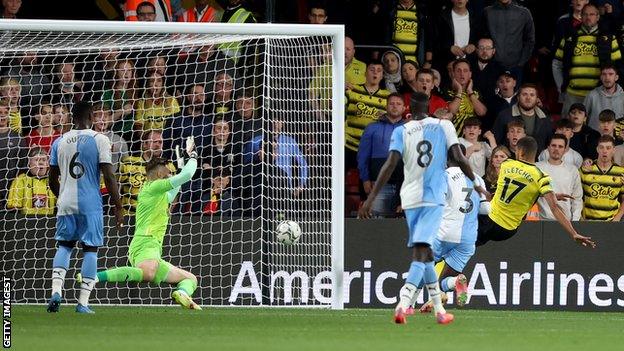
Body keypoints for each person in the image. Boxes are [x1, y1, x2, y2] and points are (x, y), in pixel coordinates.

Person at [359, 92, 488, 325]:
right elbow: (483, 205)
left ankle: (405, 303)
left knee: (422, 257)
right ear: (429, 106)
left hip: (421, 204)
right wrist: (478, 188)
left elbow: (390, 164)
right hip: (467, 237)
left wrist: (371, 198)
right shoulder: (446, 130)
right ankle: (440, 298)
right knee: (427, 260)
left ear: (409, 108)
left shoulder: (404, 130)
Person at [92, 137, 202, 310]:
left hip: (154, 249)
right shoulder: (153, 187)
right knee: (147, 273)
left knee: (190, 279)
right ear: (159, 174)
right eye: (168, 173)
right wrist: (193, 155)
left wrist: (181, 164)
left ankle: (183, 293)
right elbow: (187, 175)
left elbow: (178, 184)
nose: (170, 176)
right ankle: (95, 276)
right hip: (144, 243)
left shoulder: (159, 195)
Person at [46, 101, 123, 314]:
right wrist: (118, 206)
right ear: (91, 116)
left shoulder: (59, 141)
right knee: (90, 249)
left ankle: (56, 292)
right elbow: (109, 175)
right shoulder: (100, 140)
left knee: (64, 246)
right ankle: (82, 303)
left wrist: (61, 196)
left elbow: (52, 178)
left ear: (72, 117)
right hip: (91, 204)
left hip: (66, 202)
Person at [476, 136, 595, 248]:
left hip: (489, 220)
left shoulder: (507, 164)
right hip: (508, 230)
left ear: (520, 152)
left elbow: (514, 184)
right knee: (469, 249)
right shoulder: (542, 177)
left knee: (462, 239)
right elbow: (555, 208)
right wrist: (573, 233)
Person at [415, 145, 490, 314]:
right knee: (444, 281)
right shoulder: (477, 178)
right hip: (468, 239)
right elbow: (486, 210)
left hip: (444, 234)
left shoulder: (443, 176)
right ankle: (456, 281)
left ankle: (407, 306)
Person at [553, 3, 622, 116]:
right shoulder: (569, 37)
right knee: (568, 129)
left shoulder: (609, 38)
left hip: (599, 94)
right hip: (572, 94)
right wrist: (561, 87)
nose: (588, 17)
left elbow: (617, 66)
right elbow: (557, 64)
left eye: (592, 14)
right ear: (581, 16)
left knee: (597, 129)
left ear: (598, 17)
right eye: (585, 14)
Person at [358, 93, 406, 217]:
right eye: (391, 103)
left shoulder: (409, 128)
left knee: (401, 227)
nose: (395, 106)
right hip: (378, 185)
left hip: (405, 186)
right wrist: (365, 179)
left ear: (404, 108)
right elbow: (363, 156)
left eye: (398, 104)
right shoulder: (372, 128)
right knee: (376, 224)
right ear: (386, 106)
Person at [119, 130, 176, 215]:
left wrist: (167, 214)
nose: (157, 145)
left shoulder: (169, 166)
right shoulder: (129, 163)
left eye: (160, 142)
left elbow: (174, 194)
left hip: (155, 220)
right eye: (154, 142)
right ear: (144, 145)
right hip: (129, 218)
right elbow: (117, 190)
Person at [345, 60, 391, 164]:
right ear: (365, 73)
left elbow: (393, 121)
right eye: (372, 70)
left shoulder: (388, 96)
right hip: (349, 145)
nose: (375, 73)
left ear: (382, 75)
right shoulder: (352, 89)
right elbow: (333, 106)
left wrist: (387, 118)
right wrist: (339, 90)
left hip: (373, 149)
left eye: (379, 71)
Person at [481, 0, 535, 80]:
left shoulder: (524, 12)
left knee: (514, 92)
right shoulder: (487, 12)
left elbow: (530, 40)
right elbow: (482, 37)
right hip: (492, 66)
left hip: (515, 67)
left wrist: (520, 63)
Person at [536, 134, 583, 221]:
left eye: (560, 146)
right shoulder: (537, 168)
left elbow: (577, 198)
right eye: (553, 145)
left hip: (566, 221)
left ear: (565, 150)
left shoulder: (572, 170)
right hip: (541, 221)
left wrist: (575, 220)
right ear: (548, 148)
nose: (556, 149)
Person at [493, 83, 551, 152]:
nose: (528, 98)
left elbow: (549, 143)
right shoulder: (504, 115)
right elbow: (497, 141)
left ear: (537, 99)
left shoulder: (545, 118)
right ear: (518, 97)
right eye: (524, 94)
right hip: (511, 160)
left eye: (532, 95)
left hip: (537, 161)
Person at [579, 135, 624, 221]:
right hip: (588, 221)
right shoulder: (585, 170)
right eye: (601, 147)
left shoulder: (620, 172)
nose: (604, 151)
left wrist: (617, 218)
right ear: (597, 149)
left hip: (611, 222)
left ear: (614, 150)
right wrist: (581, 217)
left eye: (608, 148)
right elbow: (576, 196)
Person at [7, 147, 56, 216]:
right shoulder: (21, 180)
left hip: (49, 222)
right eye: (37, 160)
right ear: (29, 163)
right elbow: (14, 209)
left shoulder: (52, 181)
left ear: (47, 164)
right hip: (26, 223)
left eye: (44, 160)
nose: (41, 162)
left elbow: (61, 204)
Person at [447, 59, 487, 134]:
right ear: (453, 74)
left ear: (470, 74)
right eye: (458, 71)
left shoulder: (476, 92)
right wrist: (459, 91)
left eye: (465, 71)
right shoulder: (447, 92)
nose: (462, 74)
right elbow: (452, 111)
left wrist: (470, 92)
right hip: (453, 137)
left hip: (472, 138)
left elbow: (482, 112)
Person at [583, 64, 624, 133]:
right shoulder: (592, 95)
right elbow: (583, 118)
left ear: (616, 77)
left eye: (611, 74)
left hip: (618, 140)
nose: (607, 78)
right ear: (601, 77)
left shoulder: (623, 96)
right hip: (595, 138)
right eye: (604, 74)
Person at [0, 99, 23, 209]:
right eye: (0, 113)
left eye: (5, 113)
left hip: (12, 188)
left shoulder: (17, 137)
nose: (3, 116)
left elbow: (23, 164)